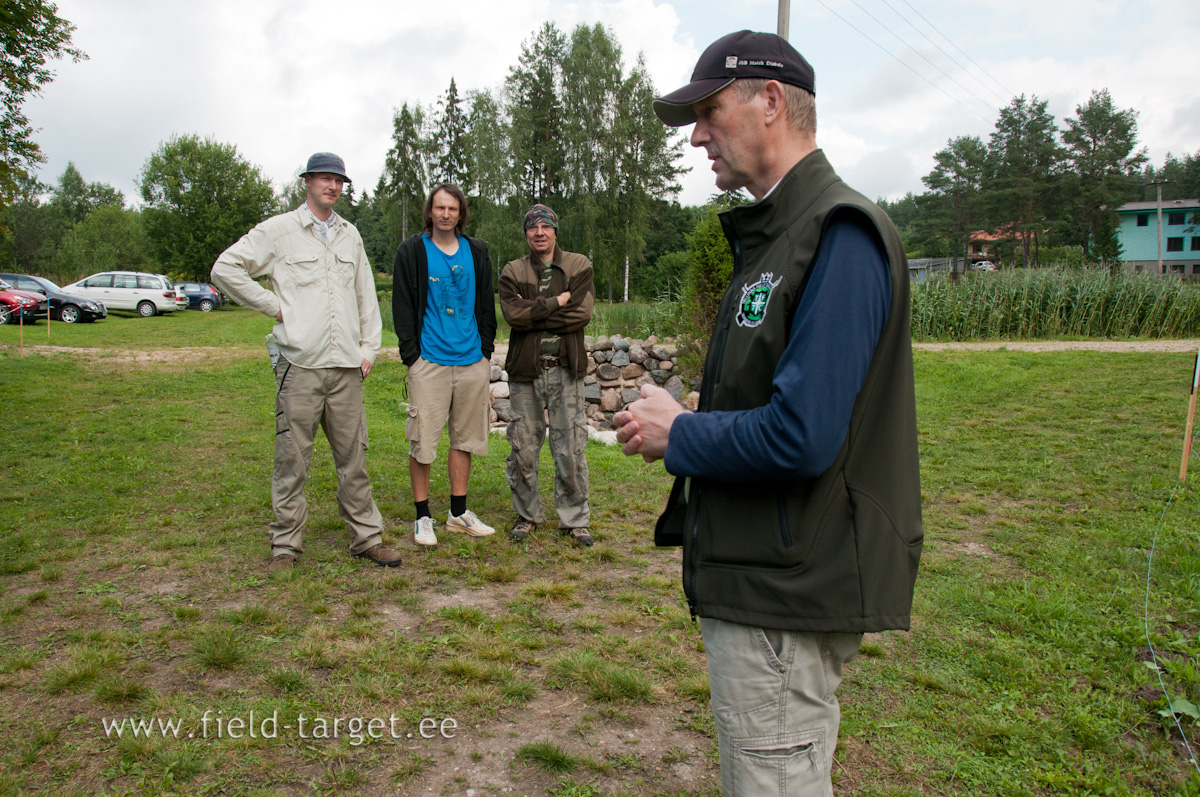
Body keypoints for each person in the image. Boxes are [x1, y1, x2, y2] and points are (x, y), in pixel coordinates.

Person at [613, 31, 922, 796]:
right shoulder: (782, 235)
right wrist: (701, 413)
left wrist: (682, 432)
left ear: (771, 102)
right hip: (765, 583)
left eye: (709, 112)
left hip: (786, 596)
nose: (697, 136)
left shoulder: (838, 232)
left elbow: (803, 435)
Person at [211, 152, 401, 573]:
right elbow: (225, 269)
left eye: (339, 181)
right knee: (292, 460)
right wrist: (275, 307)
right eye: (325, 179)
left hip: (346, 367)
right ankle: (285, 545)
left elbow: (365, 296)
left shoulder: (350, 235)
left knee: (354, 459)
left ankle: (367, 538)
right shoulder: (279, 231)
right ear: (308, 182)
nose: (332, 187)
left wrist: (368, 349)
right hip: (300, 366)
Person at [392, 183, 498, 547]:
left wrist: (485, 352)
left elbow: (487, 303)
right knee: (422, 441)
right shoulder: (412, 251)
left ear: (461, 213)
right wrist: (412, 357)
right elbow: (402, 306)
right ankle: (423, 517)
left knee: (465, 439)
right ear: (430, 212)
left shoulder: (477, 250)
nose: (446, 214)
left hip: (471, 361)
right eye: (439, 207)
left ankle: (458, 514)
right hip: (429, 362)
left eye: (452, 208)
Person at [498, 204, 596, 546]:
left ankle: (575, 519)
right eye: (532, 227)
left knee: (570, 447)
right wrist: (556, 302)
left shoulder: (578, 265)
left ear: (555, 230)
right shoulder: (513, 270)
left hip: (565, 369)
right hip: (526, 372)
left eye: (545, 226)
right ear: (526, 232)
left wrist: (533, 313)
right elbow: (513, 316)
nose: (539, 232)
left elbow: (581, 314)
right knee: (523, 447)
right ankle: (527, 515)